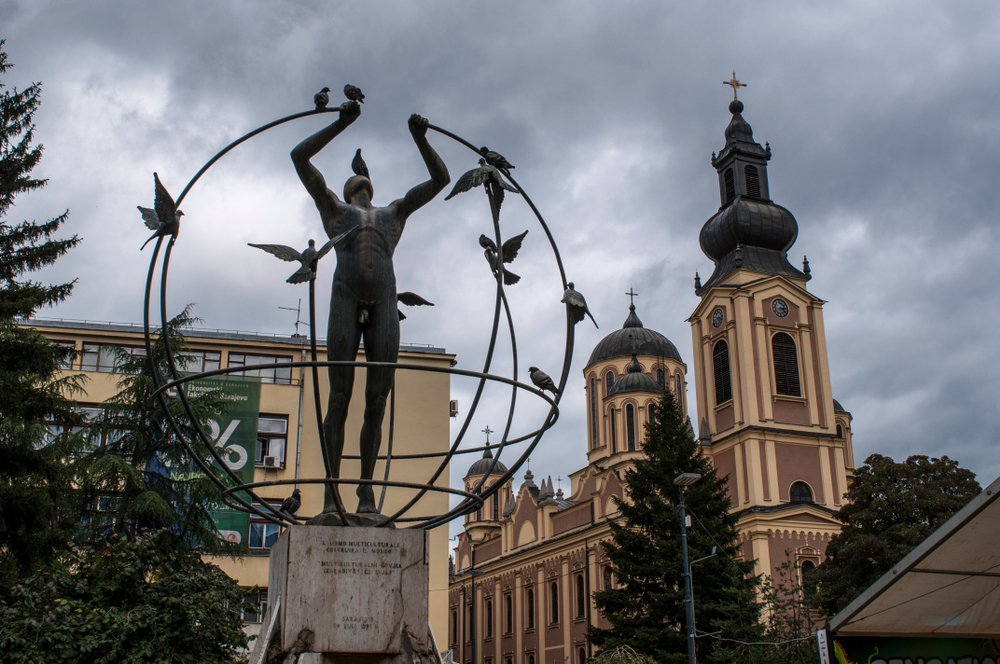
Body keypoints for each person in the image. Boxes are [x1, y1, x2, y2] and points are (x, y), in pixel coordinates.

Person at [291, 101, 450, 515]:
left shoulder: (393, 212)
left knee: (377, 401)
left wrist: (420, 137)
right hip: (345, 296)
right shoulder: (335, 210)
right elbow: (299, 157)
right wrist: (341, 122)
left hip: (383, 299)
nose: (360, 181)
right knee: (339, 398)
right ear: (348, 189)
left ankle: (365, 493)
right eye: (353, 179)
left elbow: (440, 179)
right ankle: (331, 493)